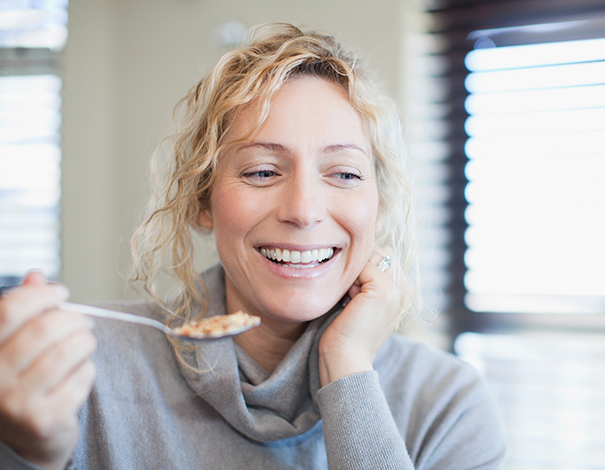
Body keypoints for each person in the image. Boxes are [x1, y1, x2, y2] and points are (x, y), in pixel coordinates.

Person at [0, 23, 506, 470]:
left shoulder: (447, 406)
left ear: (378, 207)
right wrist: (29, 455)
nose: (304, 210)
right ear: (204, 200)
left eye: (345, 174)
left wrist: (347, 365)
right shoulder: (74, 373)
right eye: (262, 171)